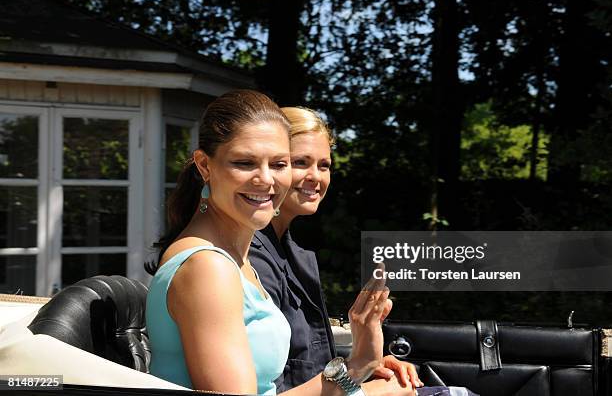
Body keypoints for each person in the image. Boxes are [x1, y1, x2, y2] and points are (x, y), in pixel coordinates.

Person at [145, 90, 413, 396]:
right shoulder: (209, 267)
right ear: (204, 165)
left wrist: (361, 366)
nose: (266, 179)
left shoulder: (234, 257)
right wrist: (361, 378)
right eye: (245, 163)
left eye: (279, 164)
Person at [249, 107, 424, 392]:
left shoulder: (292, 254)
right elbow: (277, 382)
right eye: (301, 162)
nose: (316, 177)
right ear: (272, 166)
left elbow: (308, 365)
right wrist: (360, 366)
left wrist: (366, 366)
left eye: (324, 165)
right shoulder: (252, 258)